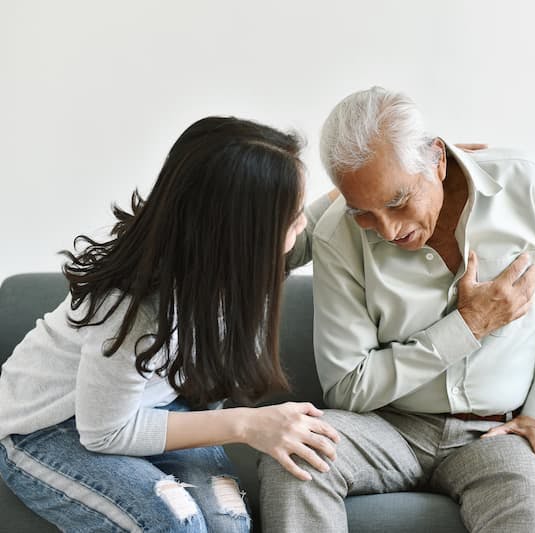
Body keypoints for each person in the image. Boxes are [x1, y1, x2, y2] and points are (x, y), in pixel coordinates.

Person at [257, 87, 535, 532]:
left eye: (398, 201)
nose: (387, 228)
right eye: (365, 212)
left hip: (496, 432)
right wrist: (467, 326)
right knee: (295, 459)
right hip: (387, 427)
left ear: (437, 160)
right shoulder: (336, 233)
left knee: (532, 504)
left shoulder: (526, 184)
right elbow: (347, 387)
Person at [0, 116, 342, 532]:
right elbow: (104, 432)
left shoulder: (231, 263)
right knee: (178, 525)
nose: (303, 224)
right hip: (52, 428)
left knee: (227, 524)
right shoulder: (135, 306)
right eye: (292, 219)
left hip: (159, 409)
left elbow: (346, 198)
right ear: (244, 234)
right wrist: (248, 424)